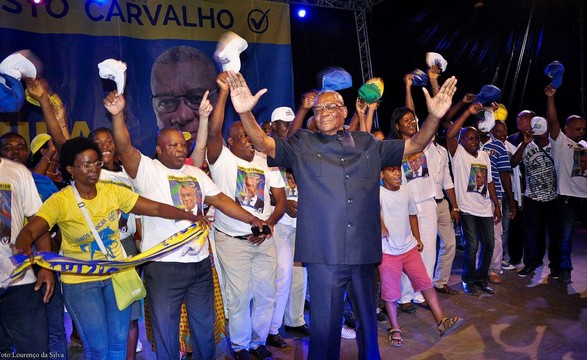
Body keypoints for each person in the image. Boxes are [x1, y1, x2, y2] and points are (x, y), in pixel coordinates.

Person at [229, 70, 458, 360]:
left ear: (344, 111)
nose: (322, 112)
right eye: (317, 108)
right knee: (324, 330)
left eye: (329, 107)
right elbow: (265, 144)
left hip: (363, 253)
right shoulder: (302, 143)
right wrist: (246, 113)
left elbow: (415, 145)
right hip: (325, 255)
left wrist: (434, 117)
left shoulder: (367, 144)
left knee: (367, 325)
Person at [105, 89, 266, 359]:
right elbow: (124, 147)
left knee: (204, 328)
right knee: (166, 330)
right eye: (173, 145)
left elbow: (222, 200)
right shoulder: (148, 171)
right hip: (165, 268)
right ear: (158, 149)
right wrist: (118, 114)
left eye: (182, 144)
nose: (180, 149)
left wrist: (252, 218)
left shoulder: (194, 173)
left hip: (199, 265)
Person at [14, 137, 206, 359]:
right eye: (86, 165)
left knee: (118, 345)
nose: (93, 169)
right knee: (98, 349)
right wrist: (24, 245)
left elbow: (153, 207)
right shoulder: (60, 201)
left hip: (116, 277)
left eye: (96, 163)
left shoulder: (113, 192)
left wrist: (189, 215)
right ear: (70, 169)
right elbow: (31, 230)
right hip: (81, 282)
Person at [206, 72, 286, 360]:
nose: (250, 141)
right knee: (240, 297)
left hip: (265, 238)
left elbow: (281, 199)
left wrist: (269, 224)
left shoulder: (267, 161)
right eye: (242, 137)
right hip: (233, 241)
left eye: (251, 136)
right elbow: (212, 133)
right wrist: (224, 93)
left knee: (266, 294)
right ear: (230, 141)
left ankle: (257, 341)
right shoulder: (222, 158)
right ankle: (239, 346)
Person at [379, 166, 463, 347]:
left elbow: (412, 215)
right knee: (391, 293)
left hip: (408, 247)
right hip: (388, 252)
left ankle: (441, 321)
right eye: (392, 171)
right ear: (381, 175)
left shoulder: (406, 191)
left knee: (426, 283)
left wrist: (417, 238)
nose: (397, 174)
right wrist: (382, 225)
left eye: (398, 170)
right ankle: (395, 328)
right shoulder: (378, 193)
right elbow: (373, 211)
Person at [0, 132, 66, 357]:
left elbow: (39, 223)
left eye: (20, 147)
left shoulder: (16, 173)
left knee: (35, 350)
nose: (15, 151)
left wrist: (46, 266)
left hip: (18, 277)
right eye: (9, 147)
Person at [446, 103, 502, 296]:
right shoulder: (458, 154)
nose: (473, 141)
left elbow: (491, 181)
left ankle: (481, 277)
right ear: (461, 141)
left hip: (485, 207)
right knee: (472, 246)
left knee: (489, 244)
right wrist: (468, 112)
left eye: (476, 137)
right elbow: (449, 134)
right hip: (467, 209)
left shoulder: (484, 156)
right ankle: (468, 279)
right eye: (469, 138)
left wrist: (496, 204)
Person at [544, 84, 587, 284]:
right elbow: (552, 121)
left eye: (584, 129)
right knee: (565, 237)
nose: (582, 132)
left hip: (584, 198)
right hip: (567, 198)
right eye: (578, 129)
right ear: (567, 129)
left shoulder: (585, 145)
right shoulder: (560, 142)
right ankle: (563, 269)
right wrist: (551, 98)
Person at [510, 123, 559, 277]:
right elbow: (513, 163)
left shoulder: (555, 145)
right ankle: (531, 262)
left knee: (555, 235)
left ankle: (555, 267)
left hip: (554, 198)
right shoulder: (527, 145)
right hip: (532, 197)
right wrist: (524, 144)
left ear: (548, 130)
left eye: (543, 130)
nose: (540, 133)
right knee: (530, 234)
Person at [150, 46, 218, 149]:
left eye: (197, 99)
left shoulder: (234, 159)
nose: (183, 116)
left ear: (218, 98)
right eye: (167, 102)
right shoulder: (146, 164)